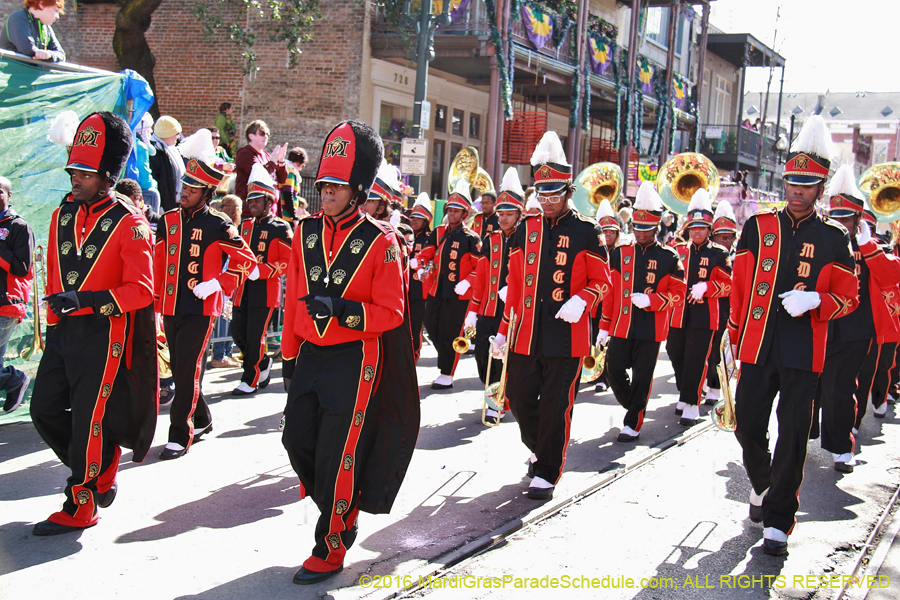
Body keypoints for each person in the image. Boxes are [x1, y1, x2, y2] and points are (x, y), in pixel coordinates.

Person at [280, 120, 419, 585]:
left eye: (336, 185)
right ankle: (342, 505)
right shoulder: (303, 233)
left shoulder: (383, 241)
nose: (326, 192)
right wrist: (288, 355)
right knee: (296, 441)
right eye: (323, 184)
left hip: (357, 360)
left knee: (339, 453)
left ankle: (333, 540)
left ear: (358, 189)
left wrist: (343, 310)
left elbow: (392, 313)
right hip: (311, 359)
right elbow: (293, 295)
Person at [729, 115, 859, 556]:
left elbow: (849, 297)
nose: (797, 190)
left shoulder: (834, 236)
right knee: (746, 425)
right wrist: (731, 336)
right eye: (791, 182)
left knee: (793, 434)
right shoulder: (758, 227)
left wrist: (819, 301)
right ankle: (764, 484)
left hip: (806, 350)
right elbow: (741, 286)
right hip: (756, 343)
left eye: (807, 184)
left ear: (821, 187)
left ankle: (780, 519)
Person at [29, 112, 157, 535]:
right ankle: (100, 468)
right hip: (64, 331)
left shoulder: (131, 221)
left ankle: (81, 503)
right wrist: (53, 322)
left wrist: (86, 300)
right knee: (43, 409)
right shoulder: (62, 213)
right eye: (73, 171)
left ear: (106, 176)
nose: (75, 179)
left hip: (104, 334)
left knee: (88, 421)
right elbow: (53, 273)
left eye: (84, 172)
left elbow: (142, 290)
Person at [491, 131, 611, 500]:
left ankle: (547, 470)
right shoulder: (525, 228)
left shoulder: (587, 231)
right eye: (541, 195)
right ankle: (540, 447)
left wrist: (582, 301)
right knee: (519, 395)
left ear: (568, 192)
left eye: (553, 195)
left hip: (567, 335)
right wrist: (501, 331)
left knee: (557, 404)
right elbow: (514, 287)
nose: (546, 202)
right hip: (525, 332)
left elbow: (603, 281)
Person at [153, 150, 255, 460]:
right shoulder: (167, 220)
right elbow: (158, 263)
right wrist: (155, 304)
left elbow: (247, 261)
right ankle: (202, 418)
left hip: (201, 308)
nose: (184, 192)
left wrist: (219, 283)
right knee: (185, 369)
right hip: (170, 305)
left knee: (186, 369)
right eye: (184, 187)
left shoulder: (219, 224)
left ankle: (179, 435)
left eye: (192, 189)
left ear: (206, 193)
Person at [812, 165, 900, 471]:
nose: (840, 224)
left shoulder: (873, 246)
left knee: (841, 387)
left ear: (857, 220)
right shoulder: (820, 241)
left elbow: (892, 277)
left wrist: (867, 245)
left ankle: (841, 447)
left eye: (845, 219)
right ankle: (807, 431)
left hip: (856, 328)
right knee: (809, 385)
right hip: (821, 321)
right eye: (835, 217)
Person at [599, 182, 685, 443]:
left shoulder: (670, 257)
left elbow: (679, 295)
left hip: (652, 328)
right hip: (622, 325)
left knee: (643, 375)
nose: (640, 233)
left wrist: (652, 300)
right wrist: (604, 326)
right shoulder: (621, 254)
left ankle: (633, 421)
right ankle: (633, 404)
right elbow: (611, 292)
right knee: (613, 367)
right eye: (637, 228)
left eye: (646, 229)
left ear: (656, 228)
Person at [666, 188, 732, 426]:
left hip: (705, 315)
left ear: (709, 230)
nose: (697, 232)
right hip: (677, 314)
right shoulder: (678, 251)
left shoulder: (719, 254)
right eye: (693, 228)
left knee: (696, 358)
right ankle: (686, 392)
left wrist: (708, 288)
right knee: (675, 353)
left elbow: (729, 286)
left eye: (701, 228)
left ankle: (692, 404)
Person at [466, 168, 523, 420]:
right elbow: (481, 276)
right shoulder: (491, 240)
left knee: (505, 360)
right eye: (500, 214)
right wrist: (472, 311)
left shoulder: (528, 239)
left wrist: (515, 288)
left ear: (519, 215)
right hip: (489, 309)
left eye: (508, 214)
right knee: (482, 357)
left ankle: (496, 403)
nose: (503, 218)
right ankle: (494, 394)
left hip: (515, 311)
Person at [415, 179, 482, 389]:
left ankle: (447, 373)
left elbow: (480, 267)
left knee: (451, 332)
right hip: (437, 289)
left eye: (456, 211)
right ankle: (445, 356)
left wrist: (467, 282)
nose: (452, 214)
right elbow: (426, 252)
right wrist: (421, 265)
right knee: (432, 326)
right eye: (450, 210)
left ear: (465, 214)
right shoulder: (438, 232)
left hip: (458, 294)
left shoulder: (472, 237)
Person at [231, 170, 292, 395]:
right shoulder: (245, 226)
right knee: (237, 332)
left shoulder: (280, 228)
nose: (252, 204)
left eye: (257, 199)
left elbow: (288, 261)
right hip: (242, 288)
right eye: (250, 200)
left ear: (268, 201)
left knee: (255, 336)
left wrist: (263, 271)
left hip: (265, 291)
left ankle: (251, 379)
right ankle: (263, 362)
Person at [0, 175, 34, 413]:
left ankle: (14, 380)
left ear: (9, 195)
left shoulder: (18, 226)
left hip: (6, 303)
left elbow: (22, 267)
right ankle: (11, 381)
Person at [704, 199, 739, 404]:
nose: (724, 241)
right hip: (711, 305)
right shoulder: (707, 255)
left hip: (731, 308)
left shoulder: (741, 256)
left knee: (722, 347)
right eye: (720, 237)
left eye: (728, 238)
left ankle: (715, 387)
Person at [209, 194, 243, 368]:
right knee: (223, 316)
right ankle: (219, 355)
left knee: (227, 315)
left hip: (228, 277)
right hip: (222, 276)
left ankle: (227, 352)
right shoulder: (224, 226)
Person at [591, 197, 621, 393]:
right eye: (605, 232)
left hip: (611, 303)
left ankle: (604, 376)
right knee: (592, 338)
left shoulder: (620, 253)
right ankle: (592, 370)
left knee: (607, 341)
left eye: (611, 232)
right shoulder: (592, 249)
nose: (608, 236)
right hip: (594, 302)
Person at [234, 120, 287, 212]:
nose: (266, 136)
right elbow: (260, 176)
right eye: (262, 133)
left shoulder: (267, 156)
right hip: (251, 211)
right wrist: (273, 161)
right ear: (251, 136)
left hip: (271, 210)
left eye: (268, 134)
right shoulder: (245, 153)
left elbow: (282, 179)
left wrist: (281, 161)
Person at [407, 194, 433, 361]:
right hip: (403, 287)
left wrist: (421, 265)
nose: (414, 221)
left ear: (425, 221)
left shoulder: (429, 239)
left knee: (415, 327)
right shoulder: (404, 234)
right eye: (413, 218)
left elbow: (432, 262)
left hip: (419, 291)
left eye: (419, 219)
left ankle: (414, 356)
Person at [1, 0, 65, 62]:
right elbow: (27, 49)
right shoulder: (18, 17)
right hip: (13, 71)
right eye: (55, 10)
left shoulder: (46, 27)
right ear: (41, 4)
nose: (57, 16)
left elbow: (61, 55)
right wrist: (41, 54)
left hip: (31, 71)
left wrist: (49, 54)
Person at [149, 115, 185, 212]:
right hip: (164, 204)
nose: (178, 137)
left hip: (174, 200)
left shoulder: (172, 150)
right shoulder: (154, 151)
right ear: (167, 134)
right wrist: (160, 205)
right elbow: (157, 180)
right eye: (176, 133)